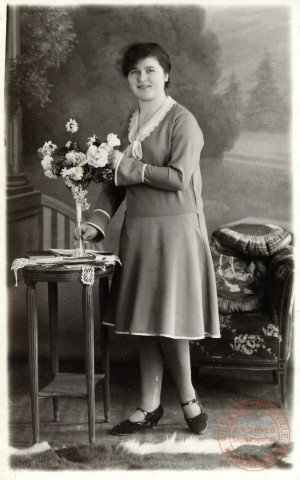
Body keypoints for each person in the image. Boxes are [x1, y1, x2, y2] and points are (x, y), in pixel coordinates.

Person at [74, 42, 220, 435]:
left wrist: (128, 164)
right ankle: (149, 406)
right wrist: (99, 220)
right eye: (135, 72)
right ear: (128, 79)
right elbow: (114, 183)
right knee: (143, 323)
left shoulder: (183, 121)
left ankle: (189, 400)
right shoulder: (129, 123)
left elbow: (177, 178)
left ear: (166, 75)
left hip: (176, 232)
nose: (142, 78)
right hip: (138, 232)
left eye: (150, 70)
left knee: (170, 322)